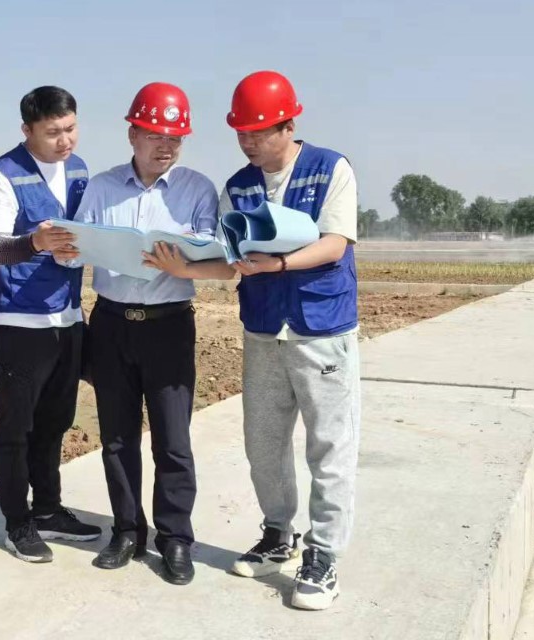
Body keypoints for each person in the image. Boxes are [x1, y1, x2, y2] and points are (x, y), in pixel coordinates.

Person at [144, 70, 360, 609]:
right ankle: (278, 533)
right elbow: (230, 260)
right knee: (263, 443)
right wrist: (186, 268)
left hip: (320, 328)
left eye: (258, 132)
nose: (248, 142)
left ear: (288, 126)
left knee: (328, 446)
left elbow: (335, 243)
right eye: (241, 132)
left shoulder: (330, 169)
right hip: (263, 330)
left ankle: (324, 554)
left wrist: (280, 263)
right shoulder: (238, 186)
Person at [73, 82, 218, 585]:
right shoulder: (102, 187)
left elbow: (213, 253)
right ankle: (127, 531)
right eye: (156, 135)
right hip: (112, 323)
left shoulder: (197, 189)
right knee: (117, 438)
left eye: (175, 138)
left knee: (173, 439)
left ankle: (175, 538)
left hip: (168, 326)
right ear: (133, 134)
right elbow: (77, 244)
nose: (166, 146)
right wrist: (70, 249)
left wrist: (183, 262)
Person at [0, 85, 101, 563]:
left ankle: (48, 510)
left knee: (55, 421)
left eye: (71, 129)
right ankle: (18, 522)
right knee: (16, 426)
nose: (65, 141)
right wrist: (35, 242)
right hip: (19, 321)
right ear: (27, 130)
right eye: (52, 133)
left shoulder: (80, 170)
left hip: (66, 316)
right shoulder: (1, 176)